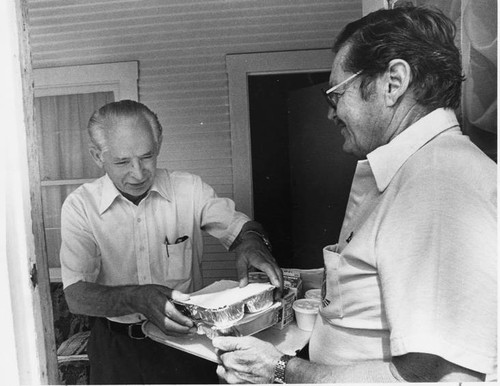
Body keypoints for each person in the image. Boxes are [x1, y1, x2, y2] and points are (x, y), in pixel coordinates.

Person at [213, 5, 497, 383]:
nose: (332, 114)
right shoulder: (415, 171)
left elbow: (442, 378)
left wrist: (279, 369)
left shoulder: (436, 186)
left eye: (336, 94)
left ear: (393, 82)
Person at [60, 99, 283, 384]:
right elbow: (76, 296)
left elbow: (241, 227)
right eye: (122, 162)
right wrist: (136, 298)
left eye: (147, 156)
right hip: (116, 349)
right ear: (96, 156)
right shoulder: (80, 206)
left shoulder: (189, 189)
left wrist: (251, 241)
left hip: (186, 345)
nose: (138, 173)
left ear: (159, 144)